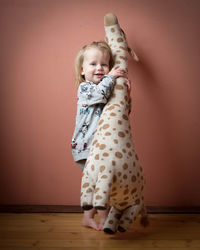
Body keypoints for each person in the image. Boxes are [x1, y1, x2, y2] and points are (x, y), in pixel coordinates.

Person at [71, 41, 130, 230]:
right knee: (101, 187)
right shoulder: (86, 89)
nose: (99, 68)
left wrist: (124, 88)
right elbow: (101, 94)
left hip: (101, 147)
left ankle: (88, 218)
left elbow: (119, 111)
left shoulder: (108, 85)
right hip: (86, 147)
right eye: (93, 64)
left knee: (101, 185)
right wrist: (112, 77)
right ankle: (105, 220)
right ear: (82, 70)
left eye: (104, 64)